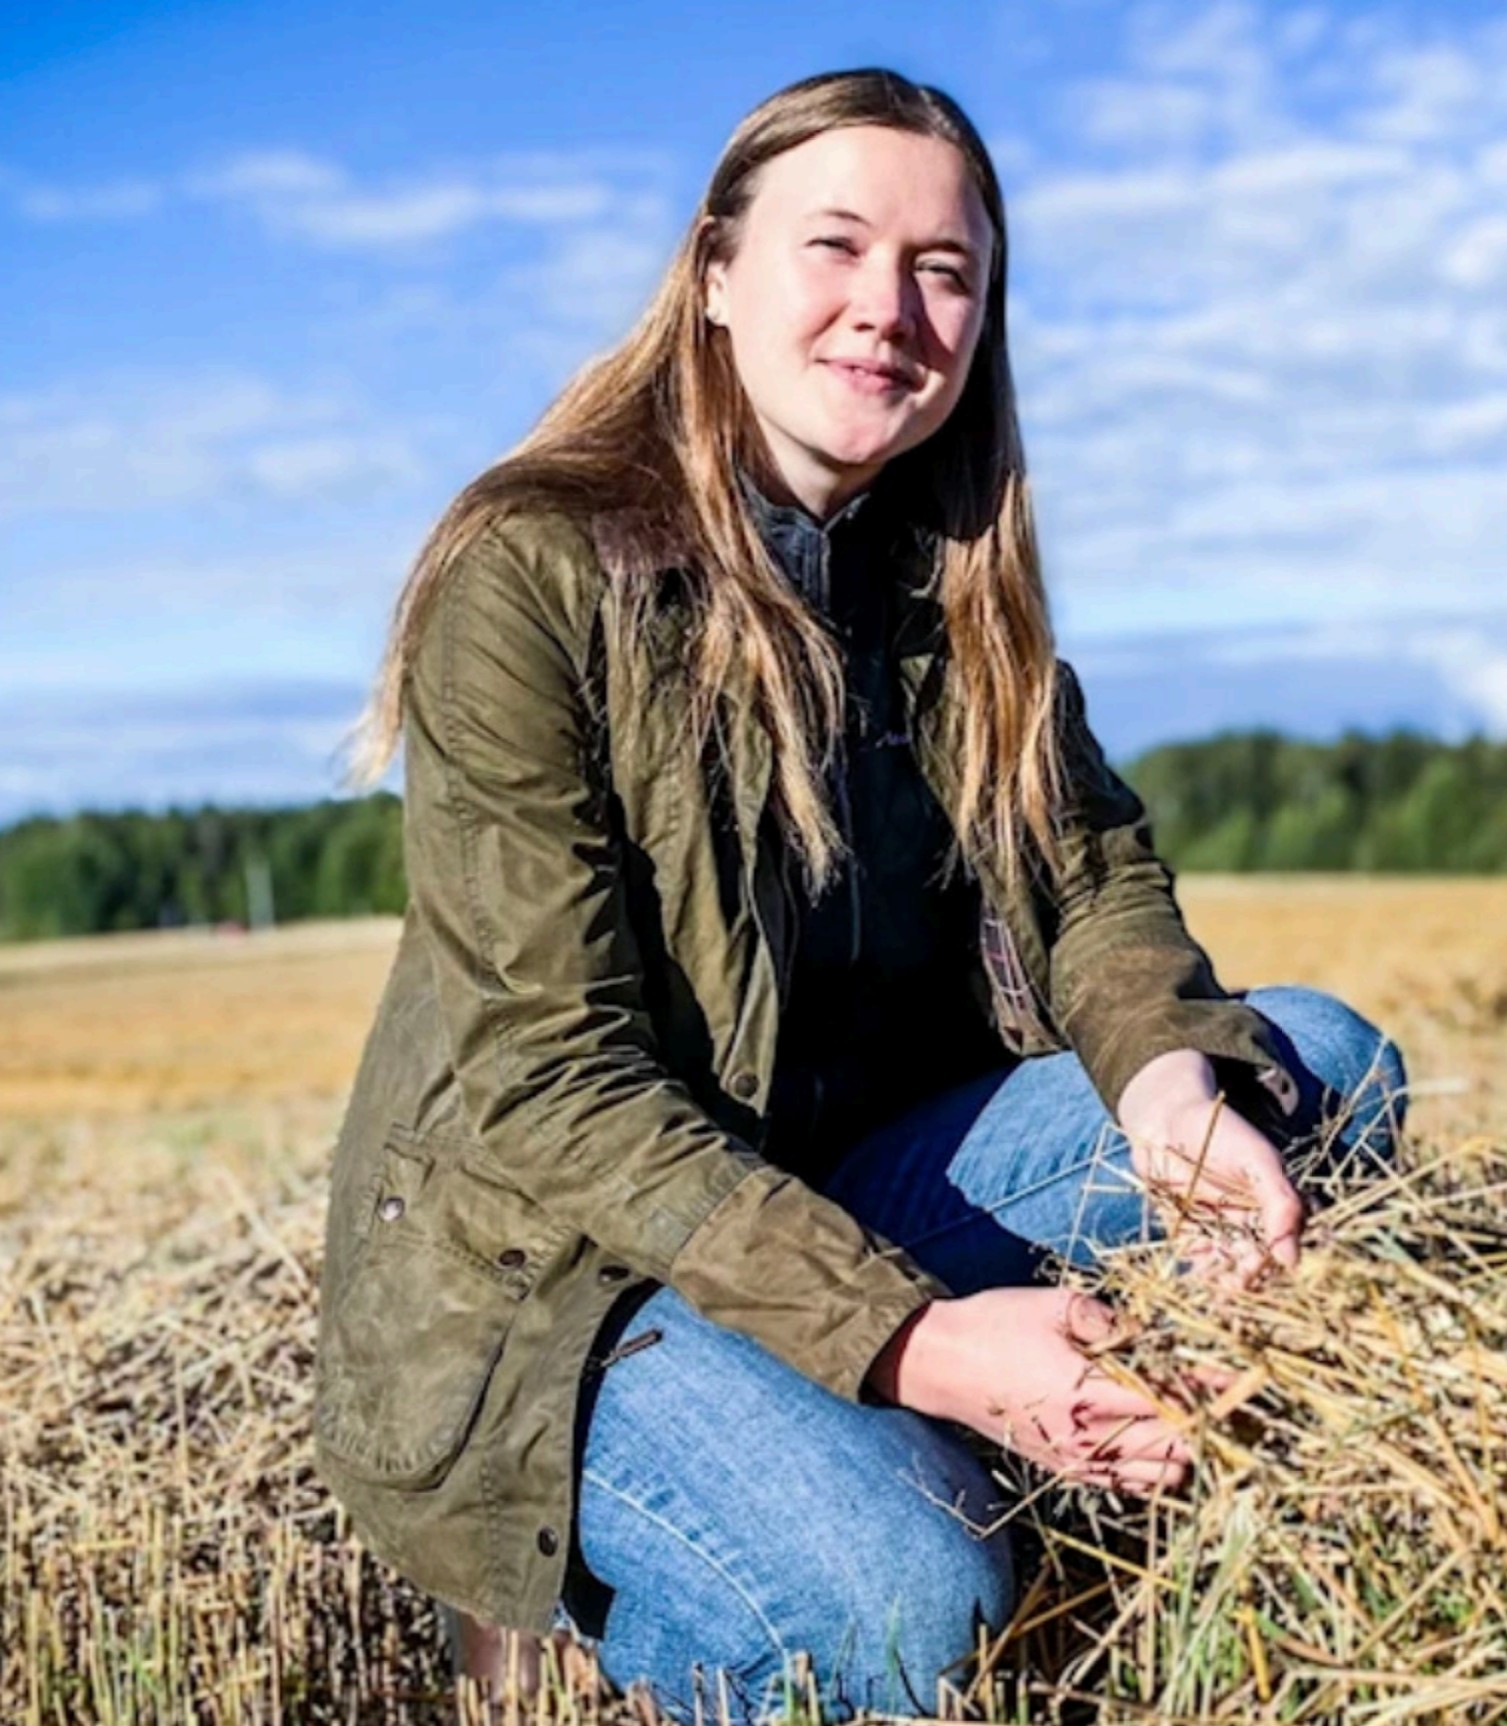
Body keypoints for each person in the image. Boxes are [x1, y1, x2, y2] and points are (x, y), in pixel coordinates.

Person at [313, 65, 1409, 1726]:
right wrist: (936, 1349)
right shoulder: (528, 574)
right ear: (714, 273)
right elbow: (554, 1085)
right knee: (904, 1596)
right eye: (836, 245)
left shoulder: (950, 581)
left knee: (1317, 1069)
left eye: (944, 270)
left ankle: (1057, 1454)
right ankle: (613, 1596)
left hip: (837, 1183)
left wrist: (1174, 1099)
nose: (888, 309)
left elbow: (1092, 876)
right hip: (571, 1279)